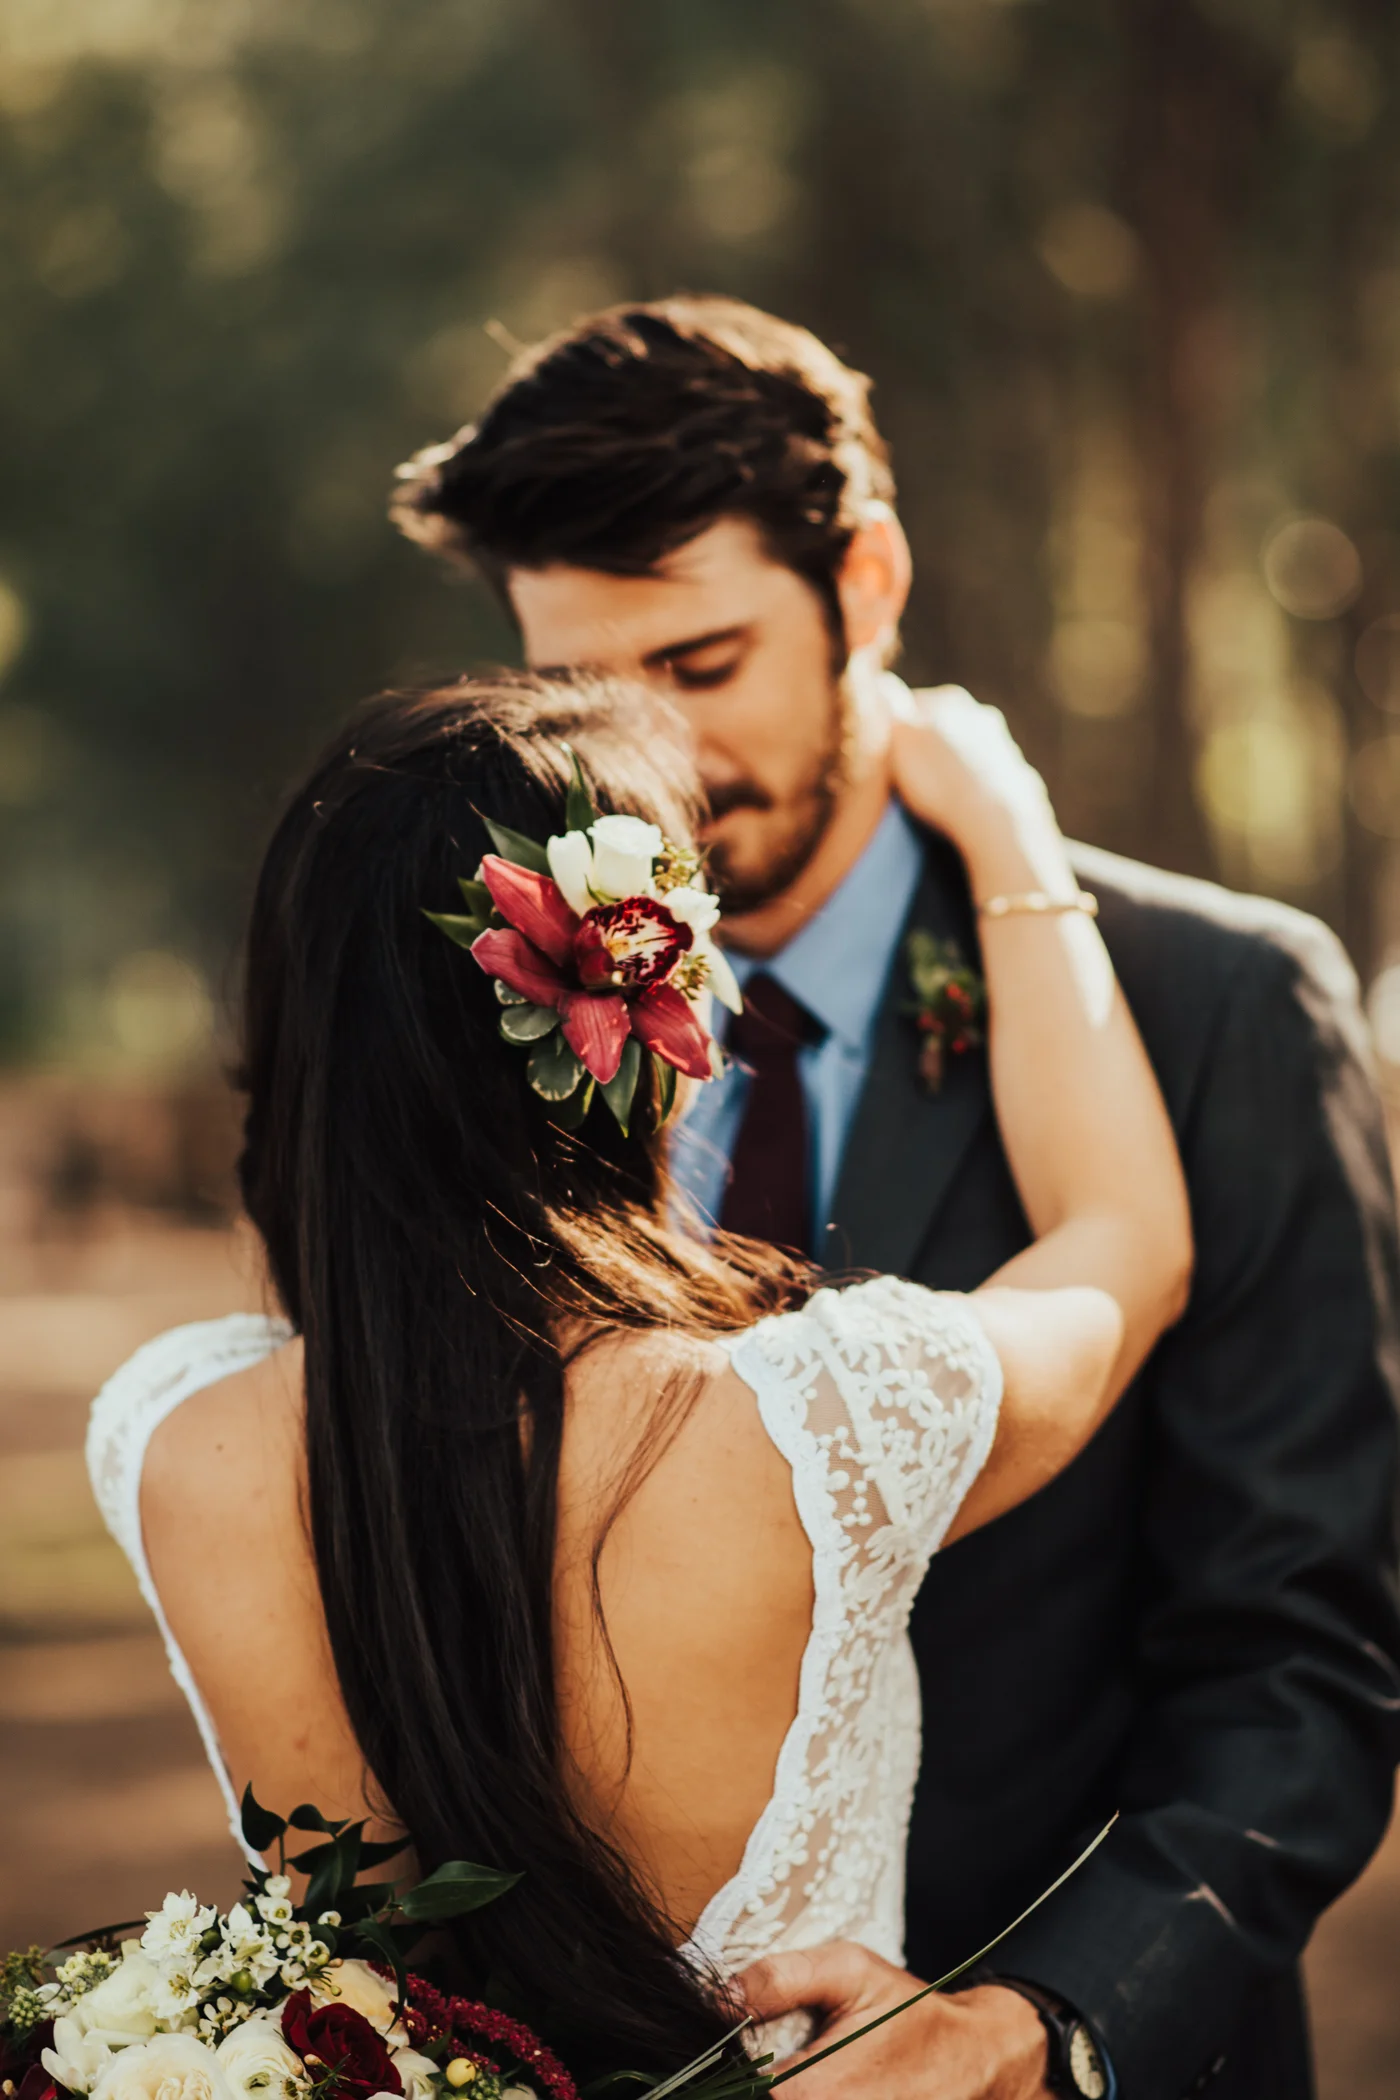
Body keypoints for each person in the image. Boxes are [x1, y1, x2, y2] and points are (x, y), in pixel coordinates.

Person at [388, 297, 1400, 2100]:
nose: (655, 761)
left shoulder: (1220, 1005)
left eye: (703, 666)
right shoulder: (482, 1032)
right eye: (584, 696)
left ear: (866, 581)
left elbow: (1296, 1669)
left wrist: (1038, 2030)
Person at [90, 672, 1191, 2098]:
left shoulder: (177, 1439)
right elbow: (1129, 1245)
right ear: (647, 1031)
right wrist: (1007, 830)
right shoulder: (830, 1418)